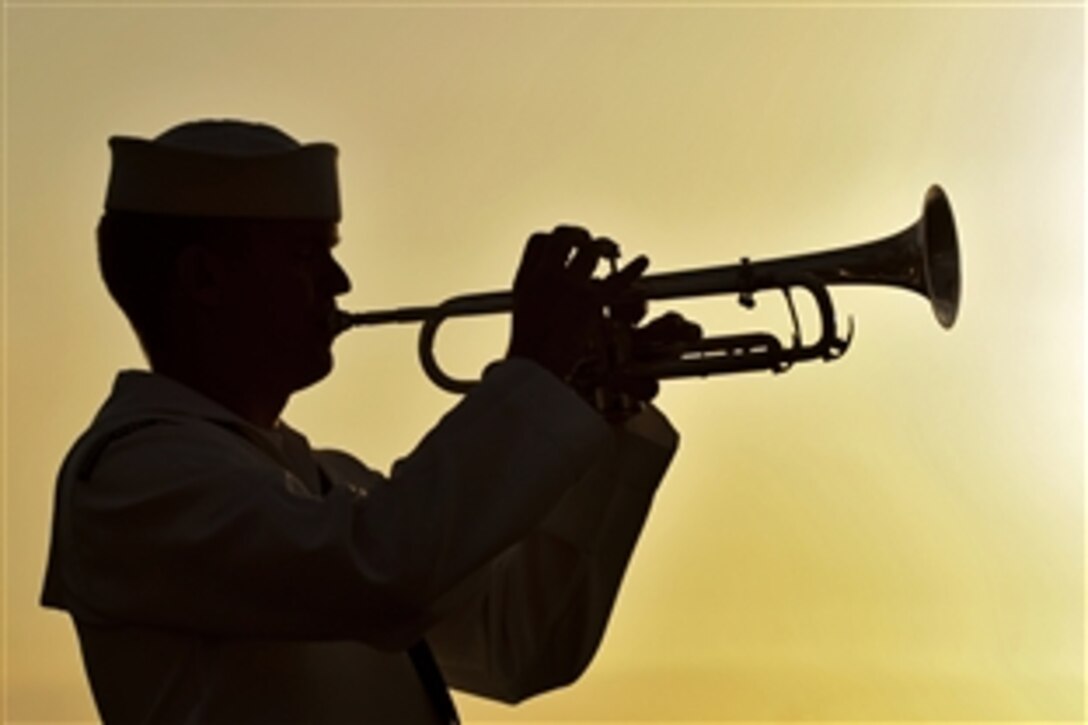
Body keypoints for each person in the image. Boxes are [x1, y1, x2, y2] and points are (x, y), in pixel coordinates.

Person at [41, 119, 697, 724]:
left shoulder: (325, 480)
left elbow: (518, 644)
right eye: (307, 255)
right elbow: (384, 568)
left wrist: (592, 408)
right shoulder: (134, 477)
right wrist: (534, 373)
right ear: (205, 277)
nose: (340, 280)